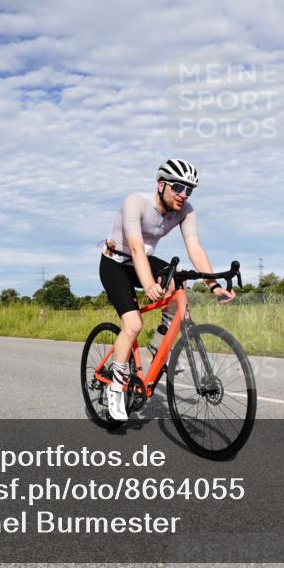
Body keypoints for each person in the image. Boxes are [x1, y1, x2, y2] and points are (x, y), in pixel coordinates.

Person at [99, 159, 234, 421]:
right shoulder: (135, 203)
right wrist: (149, 284)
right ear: (161, 185)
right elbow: (136, 248)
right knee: (133, 325)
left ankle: (159, 343)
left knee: (177, 280)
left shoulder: (186, 210)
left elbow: (195, 248)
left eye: (189, 190)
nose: (184, 194)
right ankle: (115, 388)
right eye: (178, 187)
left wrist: (214, 286)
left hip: (144, 260)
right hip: (115, 263)